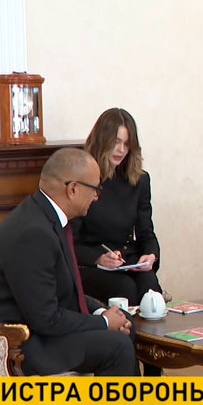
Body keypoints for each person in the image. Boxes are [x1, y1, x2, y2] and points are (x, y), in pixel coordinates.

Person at [0, 148, 178, 405]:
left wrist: (102, 313)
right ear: (72, 189)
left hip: (34, 329)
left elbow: (63, 293)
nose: (98, 196)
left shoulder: (46, 217)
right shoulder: (33, 231)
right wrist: (101, 325)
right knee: (115, 346)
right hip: (17, 346)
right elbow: (46, 317)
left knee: (123, 328)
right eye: (94, 189)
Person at [72, 107, 162, 307]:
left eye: (127, 143)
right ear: (102, 141)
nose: (121, 150)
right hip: (90, 264)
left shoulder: (140, 180)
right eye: (116, 142)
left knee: (150, 289)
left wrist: (151, 255)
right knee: (125, 289)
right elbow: (69, 241)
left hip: (126, 260)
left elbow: (146, 233)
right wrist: (98, 258)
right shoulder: (82, 179)